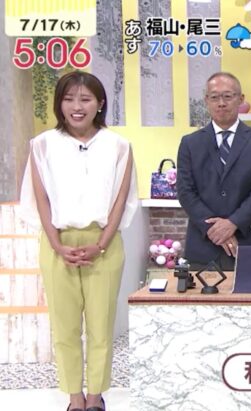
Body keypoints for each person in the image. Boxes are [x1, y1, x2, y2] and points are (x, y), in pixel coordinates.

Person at [19, 71, 138, 411]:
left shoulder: (119, 146)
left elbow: (121, 200)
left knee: (101, 325)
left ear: (100, 104)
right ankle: (74, 397)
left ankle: (95, 396)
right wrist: (57, 245)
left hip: (104, 244)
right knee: (64, 327)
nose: (77, 106)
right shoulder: (42, 144)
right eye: (69, 99)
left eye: (85, 99)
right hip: (58, 244)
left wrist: (100, 244)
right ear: (59, 104)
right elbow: (40, 198)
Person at [177, 72, 251, 270]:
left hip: (246, 241)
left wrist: (233, 223)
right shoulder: (190, 143)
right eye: (214, 97)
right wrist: (214, 229)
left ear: (241, 99)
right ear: (206, 100)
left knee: (250, 291)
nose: (221, 103)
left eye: (228, 96)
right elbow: (185, 191)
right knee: (201, 292)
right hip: (203, 243)